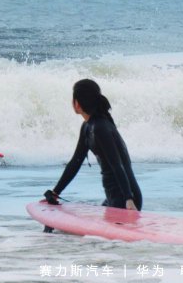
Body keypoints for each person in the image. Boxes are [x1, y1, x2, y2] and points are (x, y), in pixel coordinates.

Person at [44, 79, 142, 211]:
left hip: (124, 199)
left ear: (77, 103)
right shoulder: (88, 127)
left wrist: (129, 200)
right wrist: (56, 193)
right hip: (115, 197)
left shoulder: (100, 128)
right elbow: (75, 162)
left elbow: (117, 165)